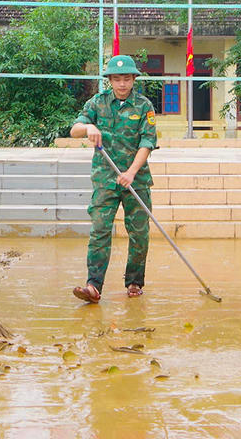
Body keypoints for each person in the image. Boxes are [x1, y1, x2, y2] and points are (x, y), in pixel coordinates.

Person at [70, 55, 158, 303]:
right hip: (105, 179)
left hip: (136, 180)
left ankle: (134, 281)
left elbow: (147, 142)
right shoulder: (97, 103)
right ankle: (93, 285)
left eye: (127, 79)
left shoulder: (143, 106)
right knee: (99, 230)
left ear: (133, 80)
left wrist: (131, 172)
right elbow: (74, 128)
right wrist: (88, 128)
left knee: (139, 234)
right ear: (109, 80)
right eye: (117, 79)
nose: (122, 84)